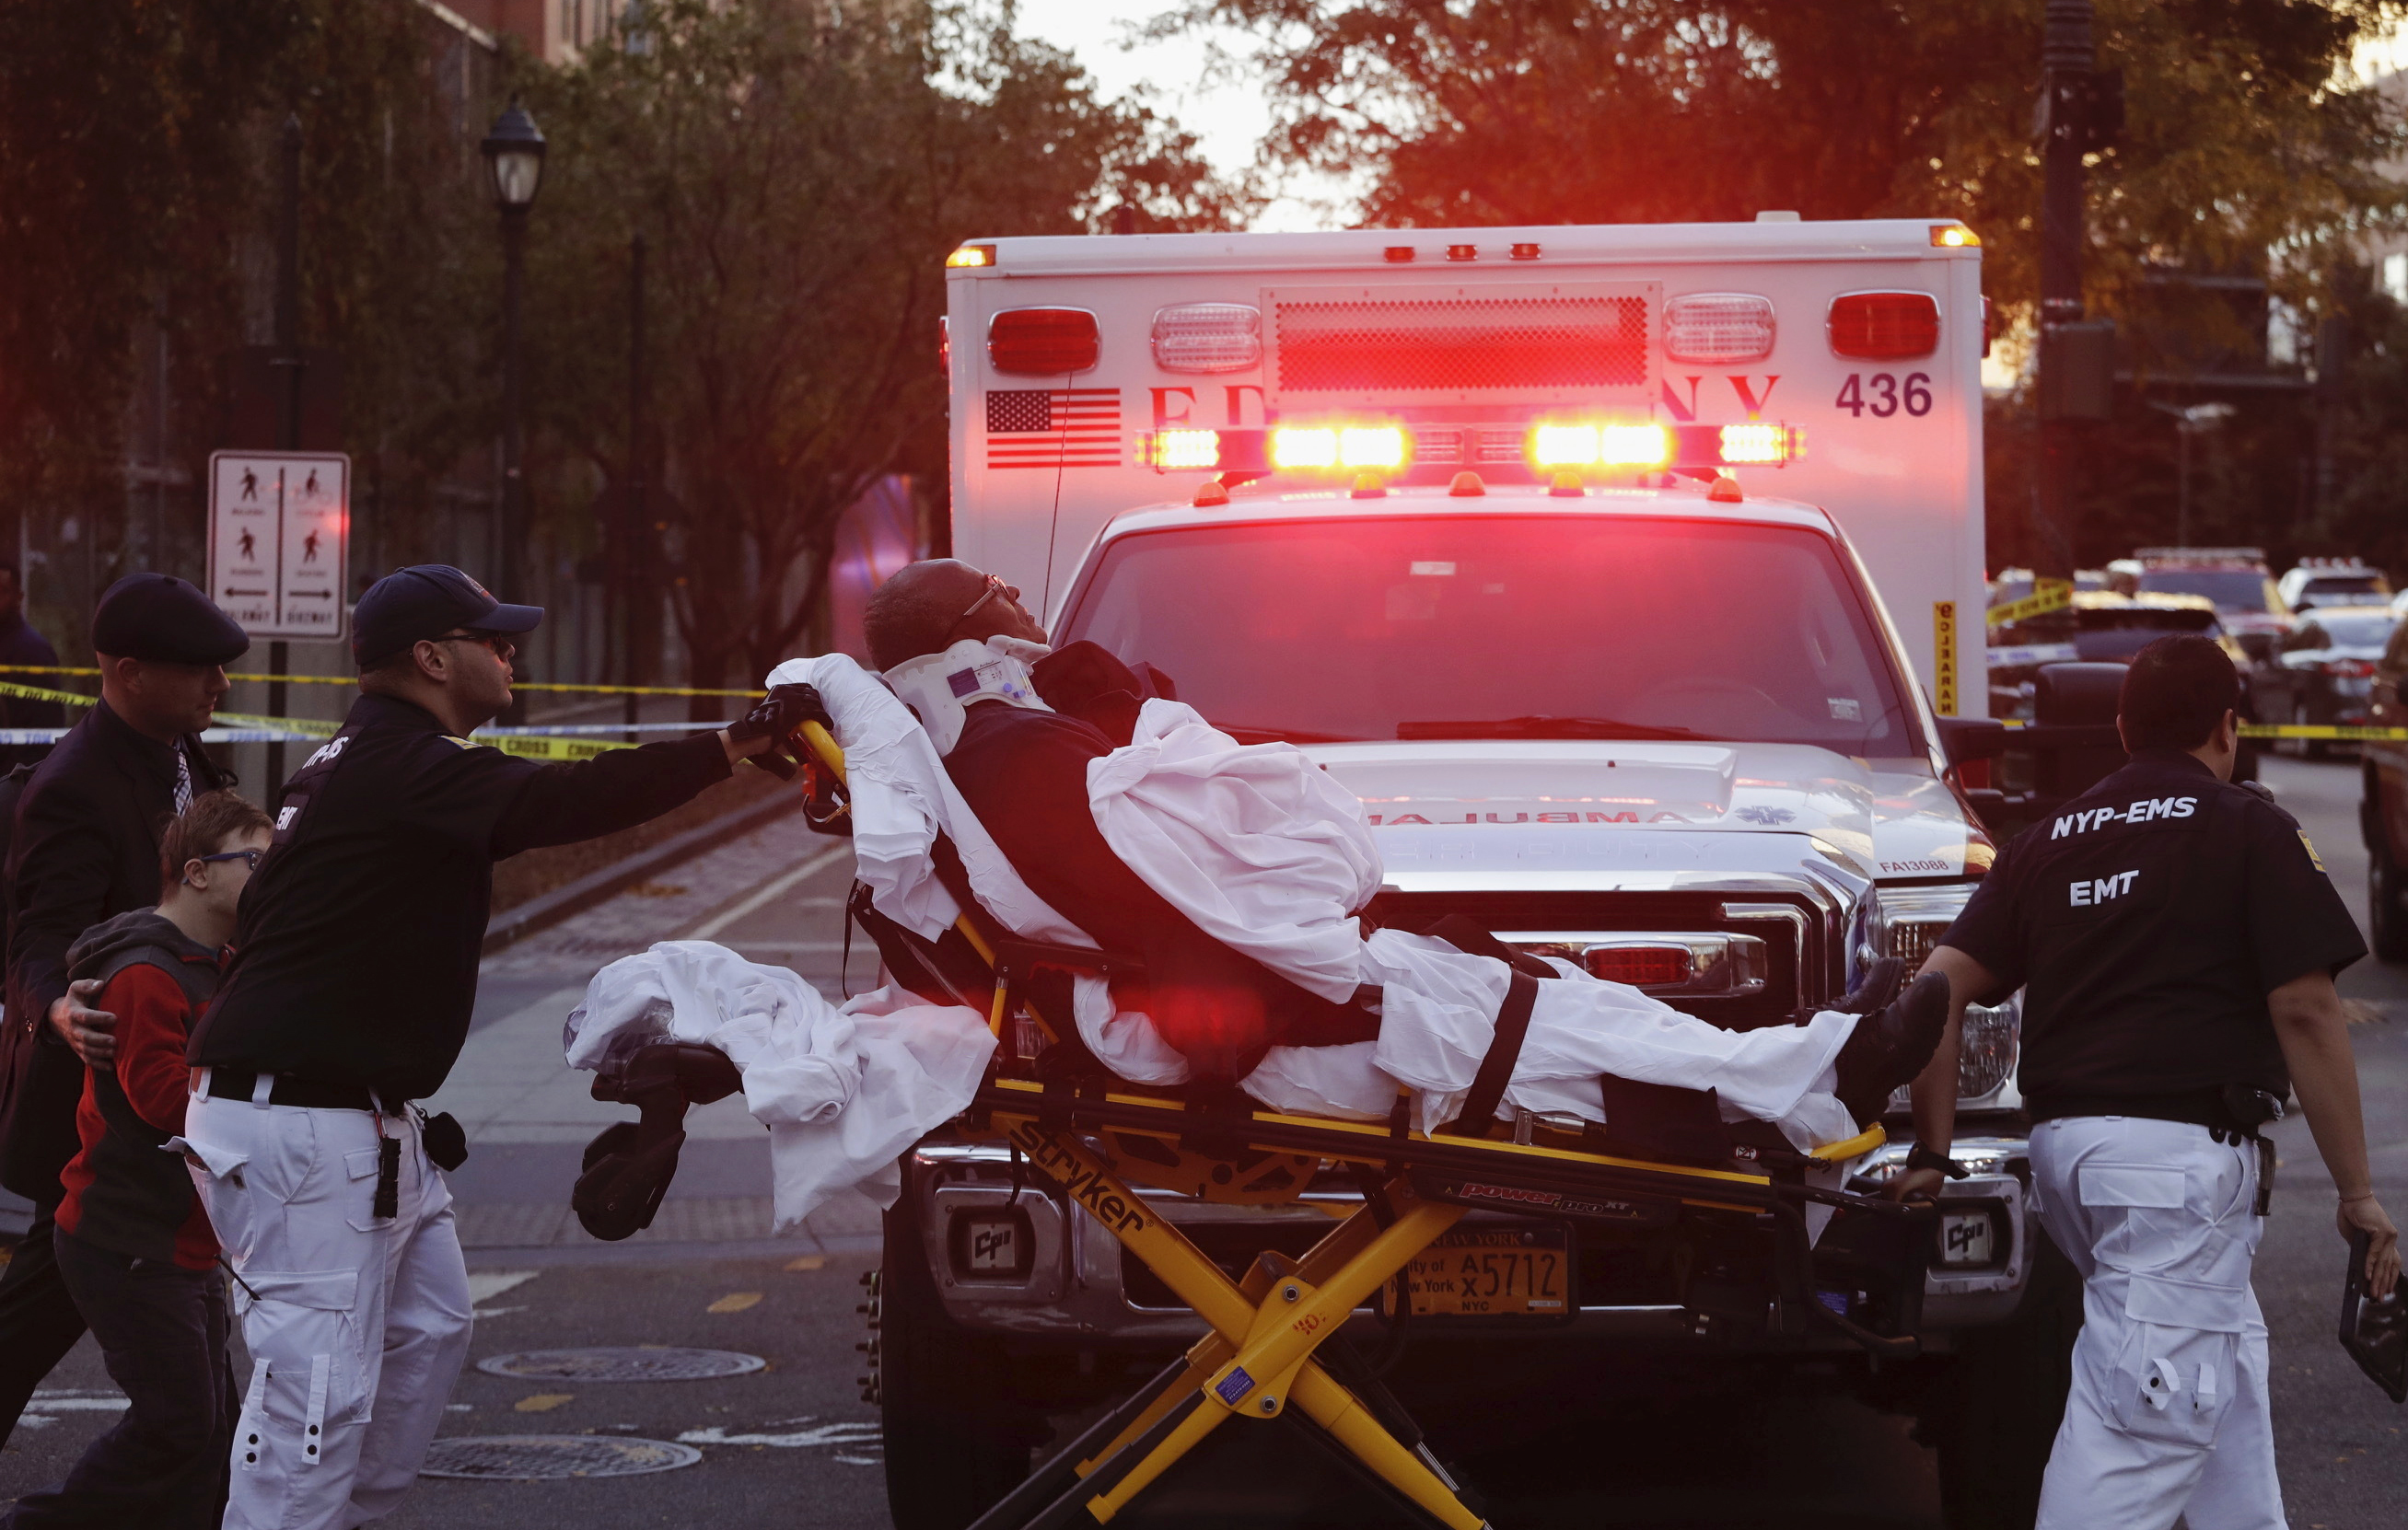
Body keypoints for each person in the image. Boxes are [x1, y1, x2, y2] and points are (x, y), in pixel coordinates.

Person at [169, 564, 819, 1530]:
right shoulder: (405, 762)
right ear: (431, 658)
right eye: (494, 640)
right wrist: (733, 744)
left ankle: (333, 1519)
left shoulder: (370, 763)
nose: (512, 653)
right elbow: (570, 799)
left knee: (430, 1329)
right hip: (303, 1123)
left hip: (348, 1113)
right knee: (314, 1395)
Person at [856, 558, 1944, 1119]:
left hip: (1282, 996)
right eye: (996, 589)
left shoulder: (999, 750)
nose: (1020, 594)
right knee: (1549, 1038)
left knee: (1561, 1005)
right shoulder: (1016, 756)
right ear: (966, 632)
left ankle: (1814, 1069)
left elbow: (1155, 874)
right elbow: (1211, 873)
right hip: (1275, 1024)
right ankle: (1805, 1086)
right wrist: (1138, 717)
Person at [1909, 634, 2401, 1530]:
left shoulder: (2046, 839)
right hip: (2168, 1178)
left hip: (2066, 1161)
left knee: (2221, 1398)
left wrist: (1931, 1155)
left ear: (2121, 728)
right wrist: (2357, 1193)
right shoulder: (2247, 827)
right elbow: (2303, 1008)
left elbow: (1930, 997)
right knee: (2136, 1435)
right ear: (2227, 727)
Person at [0, 573, 244, 1446]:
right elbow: (37, 933)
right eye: (200, 668)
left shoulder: (182, 751)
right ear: (130, 673)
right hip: (98, 1098)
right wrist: (58, 1008)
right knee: (58, 1301)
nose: (221, 683)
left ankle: (207, 1468)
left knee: (96, 1306)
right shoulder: (75, 784)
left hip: (159, 1078)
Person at [6, 790, 269, 1528]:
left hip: (178, 1235)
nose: (269, 878)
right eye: (255, 862)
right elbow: (161, 1099)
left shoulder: (215, 961)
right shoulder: (149, 973)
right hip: (127, 1236)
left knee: (208, 1434)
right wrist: (268, 1110)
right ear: (197, 873)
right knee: (178, 1426)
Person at [0, 561, 66, 771]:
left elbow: (41, 740)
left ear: (19, 597)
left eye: (2, 591)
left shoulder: (32, 652)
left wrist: (10, 783)